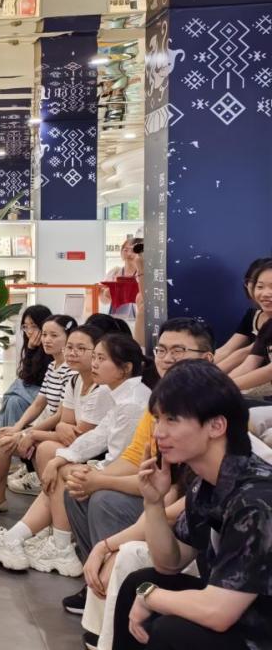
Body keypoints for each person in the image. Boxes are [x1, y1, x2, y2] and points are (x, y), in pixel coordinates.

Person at [64, 318, 216, 628]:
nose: (167, 358)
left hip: (193, 528)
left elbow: (179, 497)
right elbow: (141, 460)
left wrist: (110, 542)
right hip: (174, 508)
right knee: (79, 487)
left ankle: (110, 582)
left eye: (178, 350)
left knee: (105, 499)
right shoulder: (160, 401)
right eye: (161, 350)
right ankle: (100, 581)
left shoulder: (212, 408)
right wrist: (92, 477)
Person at [111, 361, 272, 650]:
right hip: (241, 612)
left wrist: (150, 596)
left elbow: (218, 613)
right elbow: (169, 564)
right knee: (139, 581)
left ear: (216, 426)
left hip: (261, 630)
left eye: (172, 419)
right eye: (158, 419)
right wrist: (154, 502)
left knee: (172, 630)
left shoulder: (256, 499)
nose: (159, 432)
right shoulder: (206, 484)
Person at [0, 330, 148, 576]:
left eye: (100, 358)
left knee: (62, 470)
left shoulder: (129, 403)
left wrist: (68, 461)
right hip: (112, 466)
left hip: (126, 476)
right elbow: (94, 435)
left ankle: (54, 545)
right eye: (94, 357)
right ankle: (30, 540)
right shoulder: (111, 391)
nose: (94, 363)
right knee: (57, 463)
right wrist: (59, 458)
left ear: (125, 368)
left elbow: (118, 456)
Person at [0, 315, 77, 512]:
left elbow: (60, 416)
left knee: (5, 441)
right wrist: (17, 427)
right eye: (45, 334)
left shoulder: (71, 372)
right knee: (3, 435)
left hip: (57, 432)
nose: (47, 340)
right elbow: (38, 403)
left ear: (69, 337)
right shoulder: (52, 366)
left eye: (54, 335)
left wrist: (26, 433)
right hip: (48, 428)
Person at [0, 304, 54, 437]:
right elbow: (27, 375)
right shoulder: (30, 345)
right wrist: (30, 349)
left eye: (34, 326)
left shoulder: (52, 346)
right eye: (25, 326)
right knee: (13, 400)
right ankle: (5, 439)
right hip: (32, 391)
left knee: (14, 396)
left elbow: (41, 380)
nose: (29, 331)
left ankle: (3, 438)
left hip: (44, 393)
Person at [215, 258, 272, 369]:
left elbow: (267, 370)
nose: (265, 293)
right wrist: (201, 370)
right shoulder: (254, 316)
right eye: (260, 286)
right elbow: (229, 350)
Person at [228, 261, 272, 394]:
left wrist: (221, 388)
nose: (265, 293)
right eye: (260, 287)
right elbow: (250, 364)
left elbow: (269, 371)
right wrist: (217, 383)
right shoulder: (268, 326)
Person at [101, 238, 142, 319]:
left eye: (133, 250)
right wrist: (106, 294)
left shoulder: (142, 274)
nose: (129, 254)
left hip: (137, 317)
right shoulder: (115, 272)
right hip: (116, 316)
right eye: (126, 250)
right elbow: (104, 301)